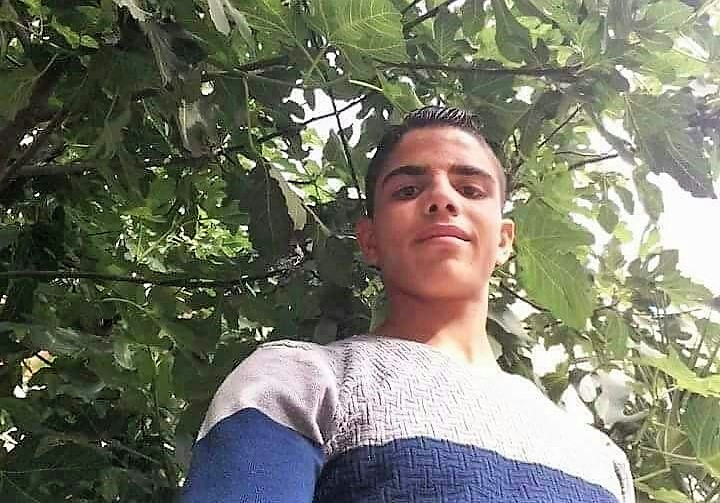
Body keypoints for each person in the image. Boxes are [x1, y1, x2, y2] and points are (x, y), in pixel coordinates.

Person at [181, 106, 636, 503]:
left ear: (503, 240)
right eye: (407, 191)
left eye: (471, 189)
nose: (442, 198)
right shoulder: (298, 380)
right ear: (370, 240)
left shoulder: (601, 458)